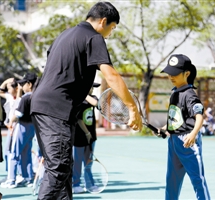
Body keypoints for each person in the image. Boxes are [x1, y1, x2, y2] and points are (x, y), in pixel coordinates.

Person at [30, 2, 142, 199]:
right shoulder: (93, 37)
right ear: (104, 21)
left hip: (41, 105)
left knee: (64, 169)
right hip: (55, 109)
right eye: (112, 28)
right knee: (58, 169)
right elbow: (112, 76)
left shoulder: (64, 35)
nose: (110, 34)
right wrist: (133, 108)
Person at [160, 54, 210, 200]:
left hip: (188, 142)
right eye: (169, 73)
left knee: (198, 180)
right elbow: (176, 118)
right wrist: (165, 128)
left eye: (175, 73)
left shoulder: (189, 94)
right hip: (174, 142)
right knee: (172, 182)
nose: (171, 76)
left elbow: (199, 116)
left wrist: (193, 134)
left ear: (187, 73)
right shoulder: (175, 93)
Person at [2, 73, 38, 188]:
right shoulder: (37, 96)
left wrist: (10, 122)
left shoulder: (25, 98)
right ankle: (28, 178)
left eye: (24, 83)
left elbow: (18, 114)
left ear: (30, 84)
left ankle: (11, 180)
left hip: (21, 126)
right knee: (26, 153)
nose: (22, 86)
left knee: (14, 153)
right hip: (32, 127)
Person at [72, 82, 100, 194]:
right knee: (77, 163)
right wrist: (87, 133)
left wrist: (84, 93)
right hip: (79, 137)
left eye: (93, 87)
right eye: (90, 86)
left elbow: (96, 103)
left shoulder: (92, 98)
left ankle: (90, 185)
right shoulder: (77, 100)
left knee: (88, 163)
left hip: (91, 138)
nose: (92, 89)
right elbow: (78, 119)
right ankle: (75, 185)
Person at [0, 77, 22, 184]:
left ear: (16, 88)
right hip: (10, 127)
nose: (7, 90)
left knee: (16, 152)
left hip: (17, 127)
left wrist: (19, 89)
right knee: (8, 152)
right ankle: (10, 174)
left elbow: (19, 102)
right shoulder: (9, 97)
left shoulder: (20, 98)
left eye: (9, 87)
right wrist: (6, 81)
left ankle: (19, 175)